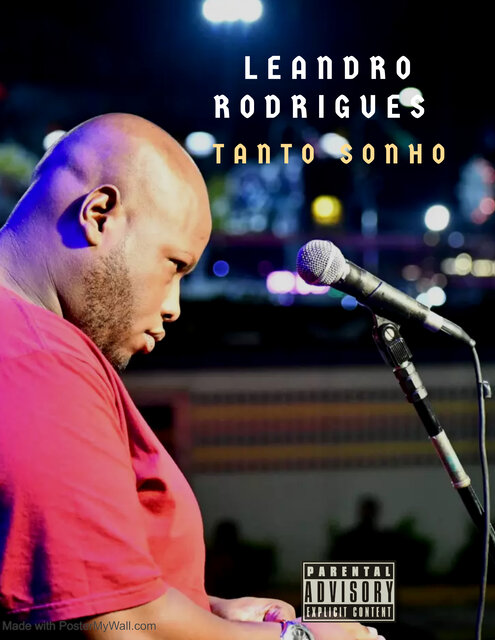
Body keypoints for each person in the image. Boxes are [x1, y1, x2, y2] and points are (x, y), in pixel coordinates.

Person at [0, 113, 384, 640]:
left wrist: (205, 613)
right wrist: (307, 638)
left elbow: (85, 599)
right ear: (100, 215)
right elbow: (119, 628)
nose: (175, 306)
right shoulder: (35, 362)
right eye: (174, 265)